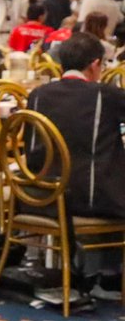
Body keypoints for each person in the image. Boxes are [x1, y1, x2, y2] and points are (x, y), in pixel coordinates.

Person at [28, 31, 125, 220]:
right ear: (95, 64)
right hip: (92, 199)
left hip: (40, 196)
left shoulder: (37, 94)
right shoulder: (105, 95)